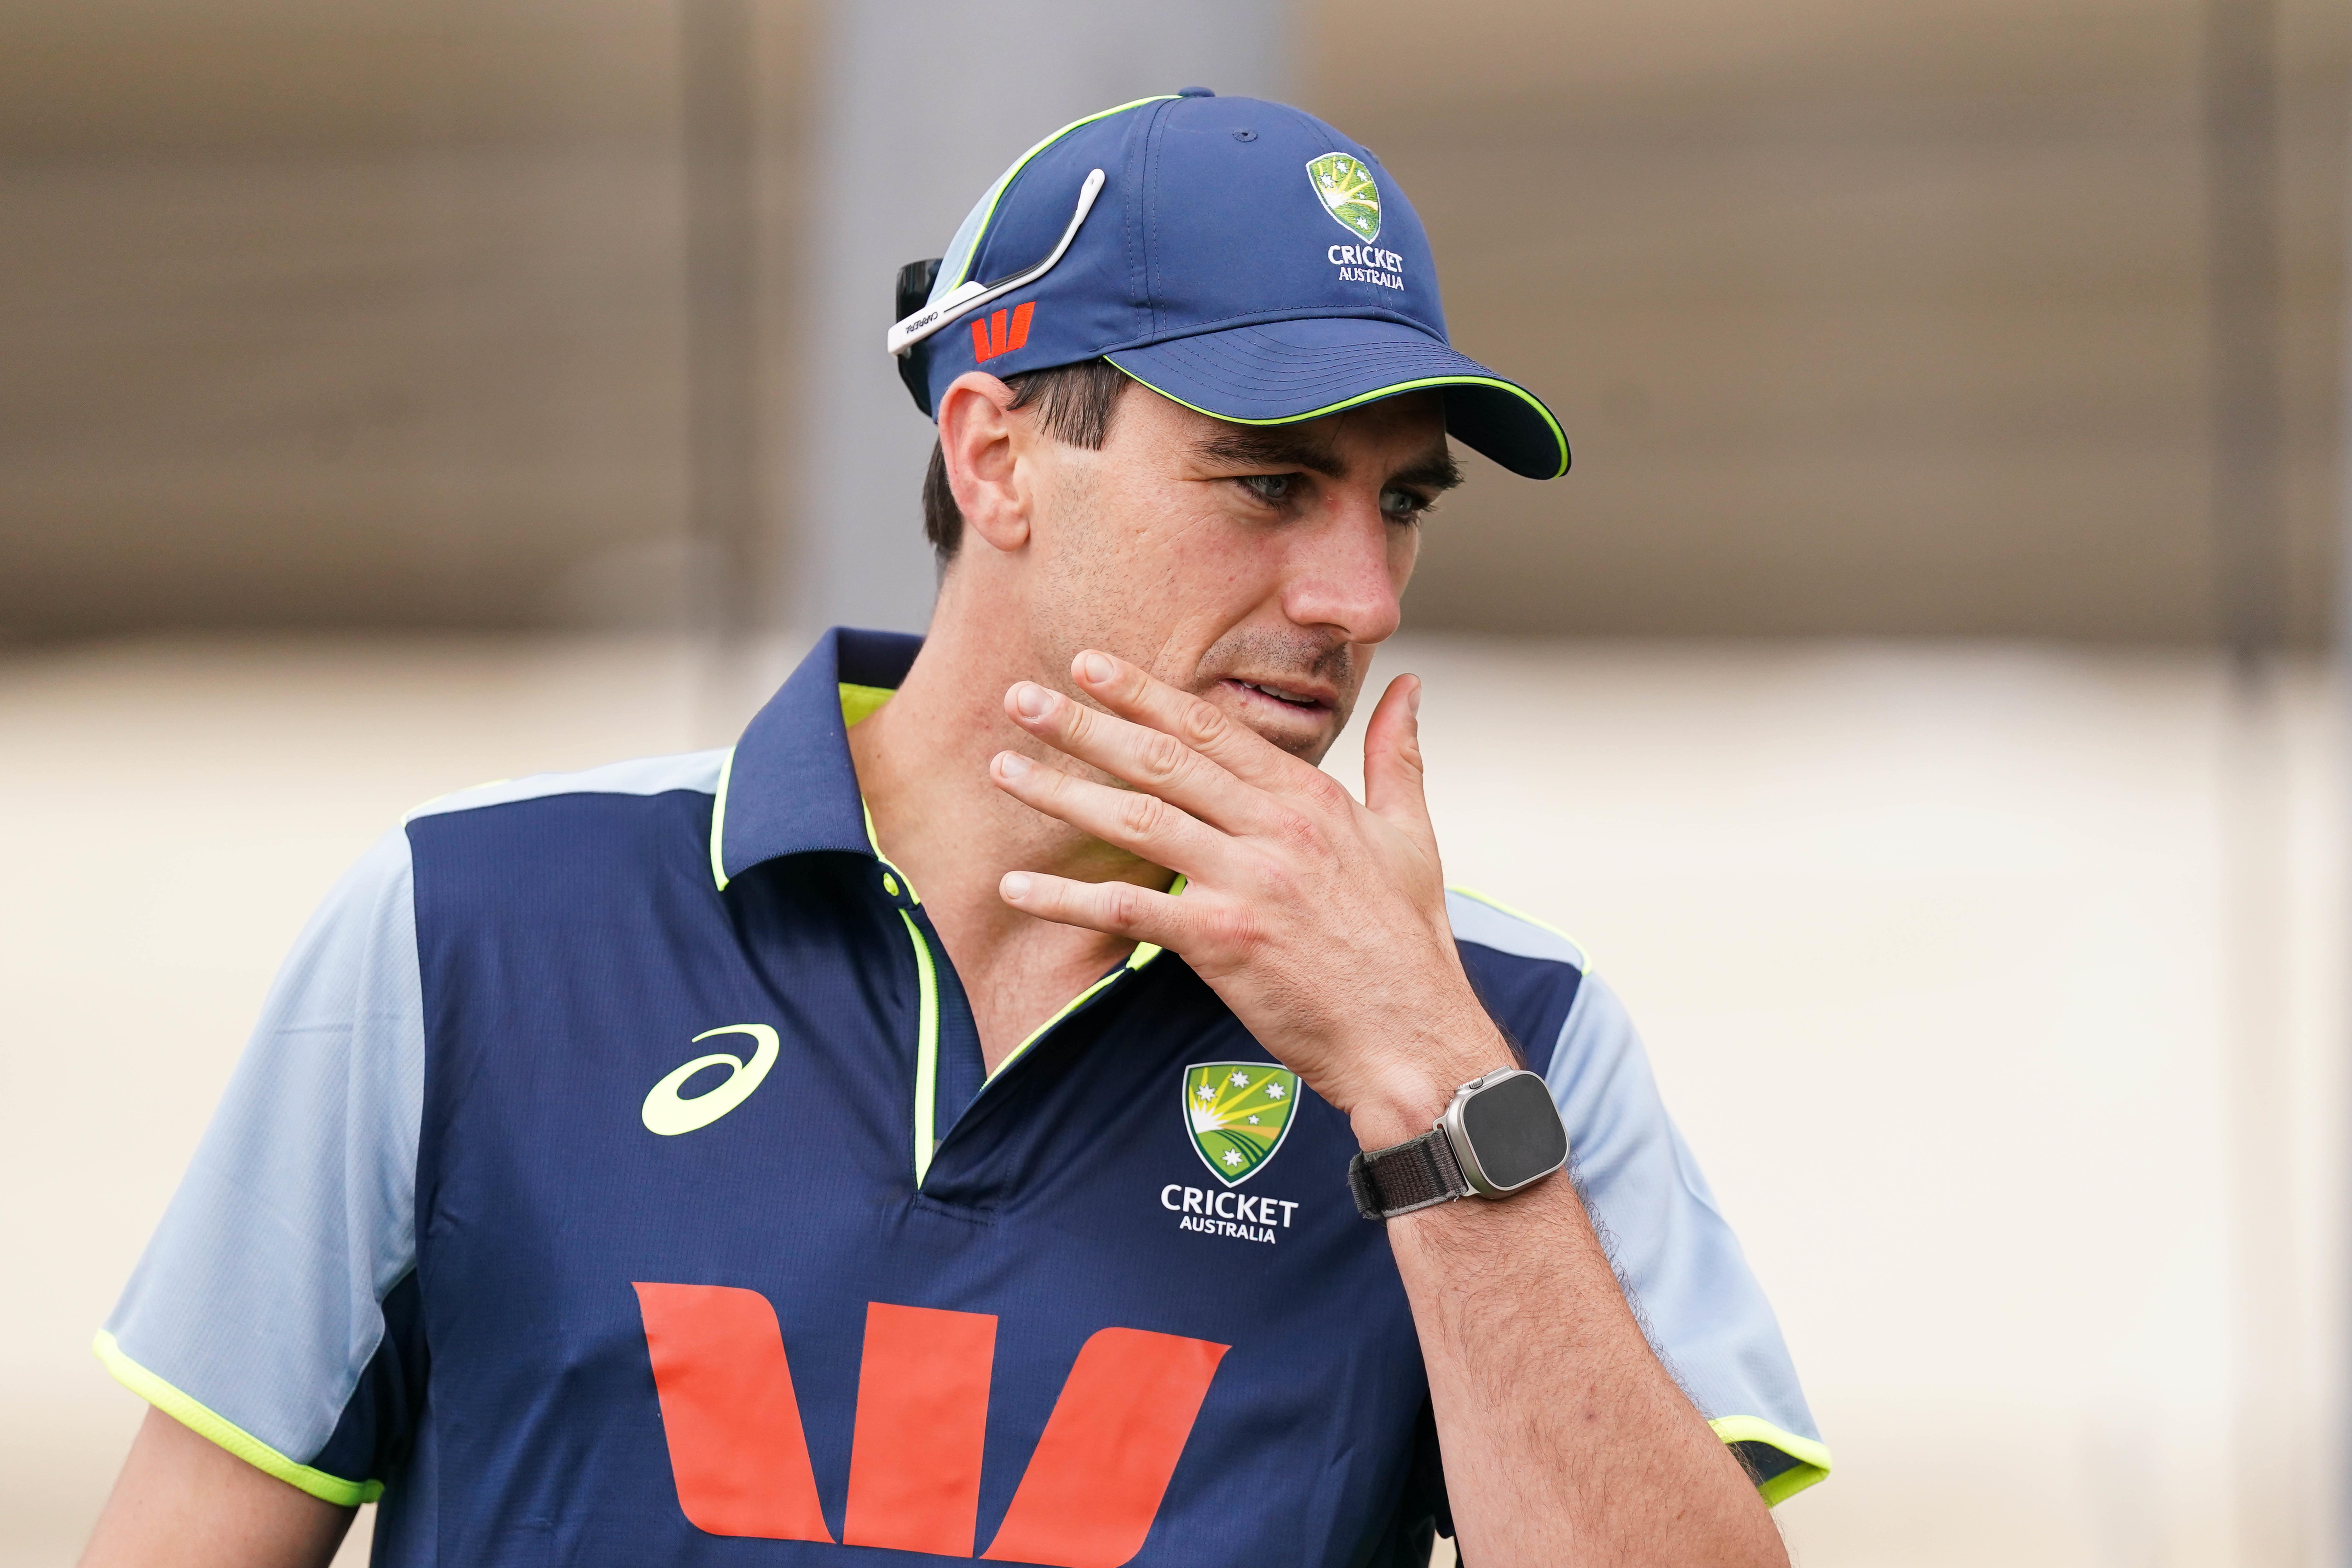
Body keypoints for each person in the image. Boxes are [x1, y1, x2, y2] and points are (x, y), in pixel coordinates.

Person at [82, 90, 1827, 1568]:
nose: (1357, 598)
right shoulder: (471, 924)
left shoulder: (1509, 1030)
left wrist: (1423, 1081)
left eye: (1402, 505)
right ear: (993, 458)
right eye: (1269, 482)